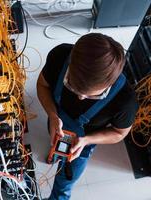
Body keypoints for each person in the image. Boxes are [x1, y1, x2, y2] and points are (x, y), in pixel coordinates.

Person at [36, 33, 139, 200]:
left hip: (83, 143)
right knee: (56, 145)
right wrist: (53, 115)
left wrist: (86, 140)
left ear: (109, 85)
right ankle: (55, 154)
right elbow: (42, 85)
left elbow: (119, 133)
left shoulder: (125, 102)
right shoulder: (59, 55)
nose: (80, 98)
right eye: (71, 86)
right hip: (57, 121)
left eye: (93, 96)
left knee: (65, 183)